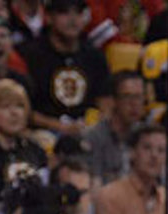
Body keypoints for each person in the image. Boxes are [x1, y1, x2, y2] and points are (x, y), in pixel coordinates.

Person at [19, 0, 110, 139]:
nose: (73, 20)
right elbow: (23, 108)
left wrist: (92, 125)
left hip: (87, 131)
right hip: (43, 132)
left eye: (78, 13)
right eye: (64, 12)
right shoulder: (30, 55)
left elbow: (105, 103)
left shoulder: (95, 56)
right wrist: (60, 127)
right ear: (48, 17)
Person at [94, 122, 168, 214]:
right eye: (147, 148)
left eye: (161, 150)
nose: (154, 155)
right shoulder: (110, 196)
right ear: (132, 153)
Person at [84, 71, 148, 186]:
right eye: (127, 96)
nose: (134, 104)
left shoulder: (147, 138)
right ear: (114, 101)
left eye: (139, 97)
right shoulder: (94, 138)